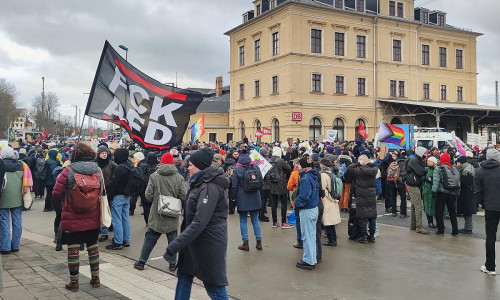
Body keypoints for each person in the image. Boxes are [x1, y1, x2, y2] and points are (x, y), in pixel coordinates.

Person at [166, 148, 230, 299]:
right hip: (194, 241)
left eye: (191, 165)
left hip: (208, 242)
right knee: (184, 275)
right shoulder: (200, 181)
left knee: (214, 287)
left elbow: (200, 221)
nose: (188, 168)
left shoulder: (209, 186)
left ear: (200, 166)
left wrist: (176, 244)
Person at [52, 143, 103, 292]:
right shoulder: (98, 171)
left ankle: (74, 282)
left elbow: (56, 193)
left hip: (72, 216)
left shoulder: (68, 171)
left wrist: (59, 209)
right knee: (93, 248)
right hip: (93, 216)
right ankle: (96, 278)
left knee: (73, 250)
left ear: (75, 155)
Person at [134, 153, 186, 272]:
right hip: (173, 212)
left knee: (150, 237)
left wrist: (157, 201)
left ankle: (141, 262)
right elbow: (183, 195)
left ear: (161, 162)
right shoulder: (178, 177)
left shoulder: (154, 176)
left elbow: (148, 195)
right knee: (172, 238)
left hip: (157, 212)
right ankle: (173, 264)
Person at [475, 149, 500, 275]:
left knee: (490, 237)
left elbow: (477, 192)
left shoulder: (480, 171)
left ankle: (490, 267)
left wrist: (484, 204)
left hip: (491, 207)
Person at [232, 151, 264, 251]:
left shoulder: (237, 169)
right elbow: (261, 182)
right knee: (255, 219)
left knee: (243, 220)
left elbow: (234, 186)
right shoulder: (255, 167)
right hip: (255, 196)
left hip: (243, 197)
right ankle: (259, 242)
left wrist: (233, 198)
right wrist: (259, 193)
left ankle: (245, 243)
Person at [0, 147, 29, 255]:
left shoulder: (1, 166)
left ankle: (5, 246)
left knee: (4, 222)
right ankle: (15, 245)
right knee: (17, 222)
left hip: (3, 198)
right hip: (17, 198)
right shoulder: (21, 166)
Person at [294, 156, 319, 270]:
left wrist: (296, 202)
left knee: (307, 236)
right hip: (314, 208)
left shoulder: (305, 178)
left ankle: (309, 260)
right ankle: (312, 258)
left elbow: (304, 196)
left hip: (307, 209)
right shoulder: (313, 175)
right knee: (311, 235)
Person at [347, 155, 378, 243]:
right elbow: (375, 165)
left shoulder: (359, 170)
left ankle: (363, 236)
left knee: (362, 216)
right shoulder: (374, 169)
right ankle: (372, 237)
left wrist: (357, 164)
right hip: (371, 193)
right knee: (372, 216)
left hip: (361, 194)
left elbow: (349, 169)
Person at [106, 148, 133, 250]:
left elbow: (114, 185)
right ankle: (126, 239)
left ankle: (118, 242)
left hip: (118, 196)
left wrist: (109, 197)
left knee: (117, 219)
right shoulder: (129, 166)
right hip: (127, 196)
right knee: (125, 218)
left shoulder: (119, 168)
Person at [432, 153, 460, 236]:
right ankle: (455, 231)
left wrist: (434, 191)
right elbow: (458, 182)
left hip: (442, 193)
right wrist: (457, 193)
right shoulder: (453, 168)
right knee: (452, 213)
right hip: (452, 193)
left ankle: (440, 231)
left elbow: (436, 181)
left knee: (439, 212)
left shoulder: (439, 168)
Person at [267, 147, 293, 229]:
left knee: (274, 204)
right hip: (281, 183)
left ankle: (275, 222)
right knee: (283, 203)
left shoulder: (269, 160)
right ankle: (284, 222)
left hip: (272, 183)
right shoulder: (280, 161)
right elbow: (289, 168)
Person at [406, 146, 430, 234]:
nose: (425, 155)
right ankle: (419, 226)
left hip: (412, 183)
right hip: (413, 184)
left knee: (413, 206)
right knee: (418, 206)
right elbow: (420, 172)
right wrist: (426, 169)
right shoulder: (414, 161)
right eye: (424, 154)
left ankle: (413, 225)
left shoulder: (415, 160)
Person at [319, 159, 341, 247]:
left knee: (328, 222)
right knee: (331, 222)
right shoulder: (332, 174)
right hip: (334, 199)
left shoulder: (323, 175)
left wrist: (327, 197)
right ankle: (333, 239)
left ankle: (332, 240)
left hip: (328, 200)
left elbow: (323, 188)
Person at [96, 145, 116, 242]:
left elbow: (115, 177)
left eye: (105, 153)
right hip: (98, 190)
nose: (104, 155)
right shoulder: (95, 164)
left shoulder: (111, 164)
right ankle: (104, 232)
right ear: (98, 154)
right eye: (102, 153)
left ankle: (109, 226)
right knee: (101, 211)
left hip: (109, 190)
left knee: (110, 210)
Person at [455, 156, 477, 234]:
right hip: (469, 193)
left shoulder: (466, 171)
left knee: (467, 211)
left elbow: (464, 183)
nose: (457, 164)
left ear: (461, 163)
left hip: (467, 194)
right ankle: (467, 227)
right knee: (467, 211)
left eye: (458, 163)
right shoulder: (469, 168)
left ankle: (468, 228)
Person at [422, 157, 438, 229]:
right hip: (427, 190)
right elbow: (422, 179)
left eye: (429, 161)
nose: (428, 162)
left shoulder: (437, 170)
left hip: (434, 190)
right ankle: (430, 222)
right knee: (428, 206)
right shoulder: (426, 170)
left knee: (435, 207)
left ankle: (438, 222)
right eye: (427, 161)